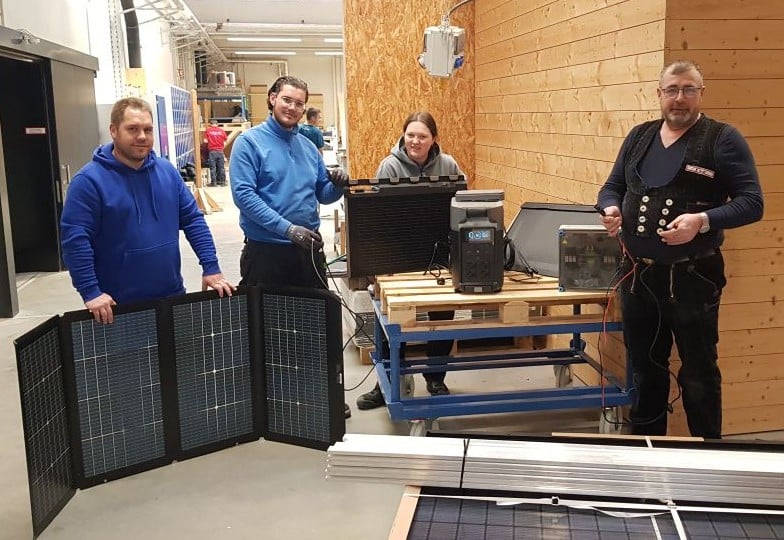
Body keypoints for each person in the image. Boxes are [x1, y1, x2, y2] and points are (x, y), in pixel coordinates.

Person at [596, 60, 763, 439]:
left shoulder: (722, 139)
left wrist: (702, 221)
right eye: (672, 90)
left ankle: (708, 456)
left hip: (693, 279)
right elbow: (612, 187)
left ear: (701, 94)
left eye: (689, 89)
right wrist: (610, 208)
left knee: (699, 374)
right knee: (645, 370)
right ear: (659, 94)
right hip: (637, 277)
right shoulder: (639, 136)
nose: (680, 98)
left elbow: (752, 203)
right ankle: (648, 451)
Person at [229, 75, 351, 417]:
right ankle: (268, 403)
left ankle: (322, 394)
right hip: (266, 253)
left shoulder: (308, 147)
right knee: (266, 327)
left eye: (299, 103)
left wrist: (338, 185)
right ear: (272, 99)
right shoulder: (250, 143)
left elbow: (321, 193)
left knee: (316, 326)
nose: (293, 108)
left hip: (307, 251)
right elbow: (244, 196)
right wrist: (286, 229)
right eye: (287, 100)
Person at [61, 97, 234, 325]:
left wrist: (211, 267)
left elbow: (193, 221)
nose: (142, 136)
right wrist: (90, 292)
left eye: (148, 129)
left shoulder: (167, 172)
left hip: (171, 297)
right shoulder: (88, 181)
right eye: (132, 129)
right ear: (113, 130)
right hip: (116, 307)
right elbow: (76, 240)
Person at [356, 111, 465, 411]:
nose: (415, 141)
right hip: (398, 255)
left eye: (422, 136)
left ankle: (435, 378)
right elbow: (379, 214)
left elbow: (461, 206)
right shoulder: (389, 166)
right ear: (404, 136)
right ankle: (388, 383)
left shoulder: (449, 165)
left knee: (442, 317)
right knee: (394, 319)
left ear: (434, 139)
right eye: (411, 135)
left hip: (438, 255)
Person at [204, 119, 228, 186]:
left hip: (212, 151)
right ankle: (223, 182)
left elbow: (205, 141)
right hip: (220, 151)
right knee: (221, 168)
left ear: (210, 124)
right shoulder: (221, 131)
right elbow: (225, 140)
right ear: (217, 124)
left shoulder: (208, 131)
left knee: (213, 168)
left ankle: (214, 183)